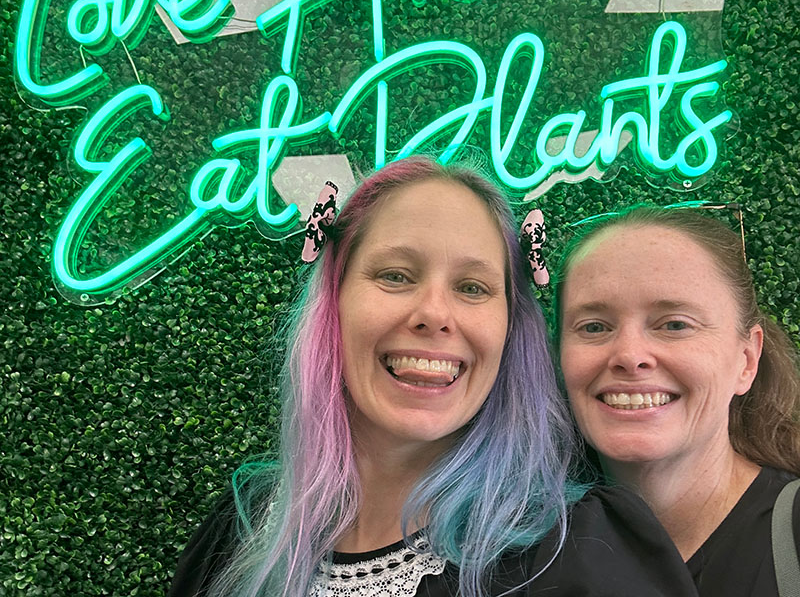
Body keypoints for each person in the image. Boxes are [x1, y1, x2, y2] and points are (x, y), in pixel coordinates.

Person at [168, 158, 699, 597]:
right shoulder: (243, 526)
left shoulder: (579, 551)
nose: (435, 313)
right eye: (395, 275)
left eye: (472, 287)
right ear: (334, 303)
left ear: (510, 328)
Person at [557, 205, 800, 597]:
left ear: (746, 360)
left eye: (674, 324)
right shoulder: (517, 553)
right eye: (594, 327)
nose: (629, 354)